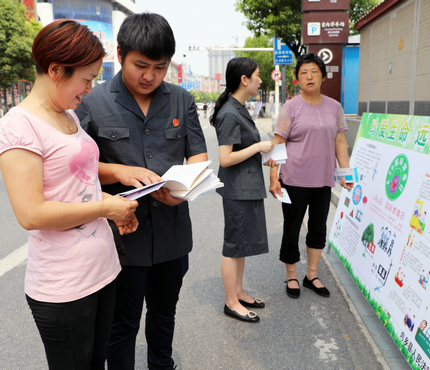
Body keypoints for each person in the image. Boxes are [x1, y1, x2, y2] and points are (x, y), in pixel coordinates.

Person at [0, 20, 139, 369]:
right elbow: (31, 213)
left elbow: (77, 172)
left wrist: (118, 175)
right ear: (56, 70)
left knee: (97, 361)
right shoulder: (20, 124)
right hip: (64, 286)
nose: (89, 89)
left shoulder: (68, 115)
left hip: (102, 268)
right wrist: (105, 207)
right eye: (86, 79)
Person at [74, 13, 207, 370]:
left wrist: (184, 188)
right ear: (120, 53)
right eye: (141, 65)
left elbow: (198, 156)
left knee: (164, 315)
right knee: (122, 324)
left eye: (160, 67)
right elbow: (77, 166)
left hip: (172, 234)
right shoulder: (93, 101)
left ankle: (161, 365)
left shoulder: (182, 100)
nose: (149, 76)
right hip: (119, 238)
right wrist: (121, 171)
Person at [269, 53, 353, 299]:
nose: (309, 76)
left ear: (323, 77)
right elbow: (277, 144)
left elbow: (340, 141)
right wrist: (274, 177)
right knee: (292, 229)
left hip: (323, 180)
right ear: (297, 78)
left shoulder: (334, 107)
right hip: (294, 180)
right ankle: (292, 275)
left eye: (314, 71)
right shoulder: (289, 108)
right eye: (304, 72)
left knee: (318, 229)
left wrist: (345, 173)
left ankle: (312, 275)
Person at [210, 57, 273, 323]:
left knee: (242, 245)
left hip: (247, 187)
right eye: (257, 75)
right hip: (238, 190)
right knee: (234, 245)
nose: (261, 79)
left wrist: (260, 155)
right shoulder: (229, 113)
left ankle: (239, 292)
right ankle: (231, 301)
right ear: (244, 80)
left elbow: (240, 151)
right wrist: (259, 148)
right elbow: (225, 158)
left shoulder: (239, 108)